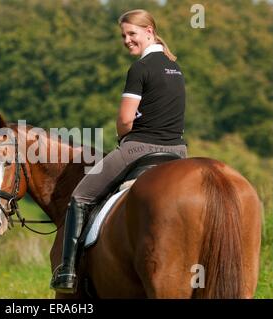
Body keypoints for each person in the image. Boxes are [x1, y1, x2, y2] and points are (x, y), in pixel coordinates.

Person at [50, 9, 188, 294]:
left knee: (80, 196)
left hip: (140, 148)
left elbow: (125, 120)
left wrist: (124, 132)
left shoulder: (140, 68)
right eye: (123, 35)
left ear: (149, 31)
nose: (126, 40)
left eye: (132, 34)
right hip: (178, 152)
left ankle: (67, 273)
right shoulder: (176, 68)